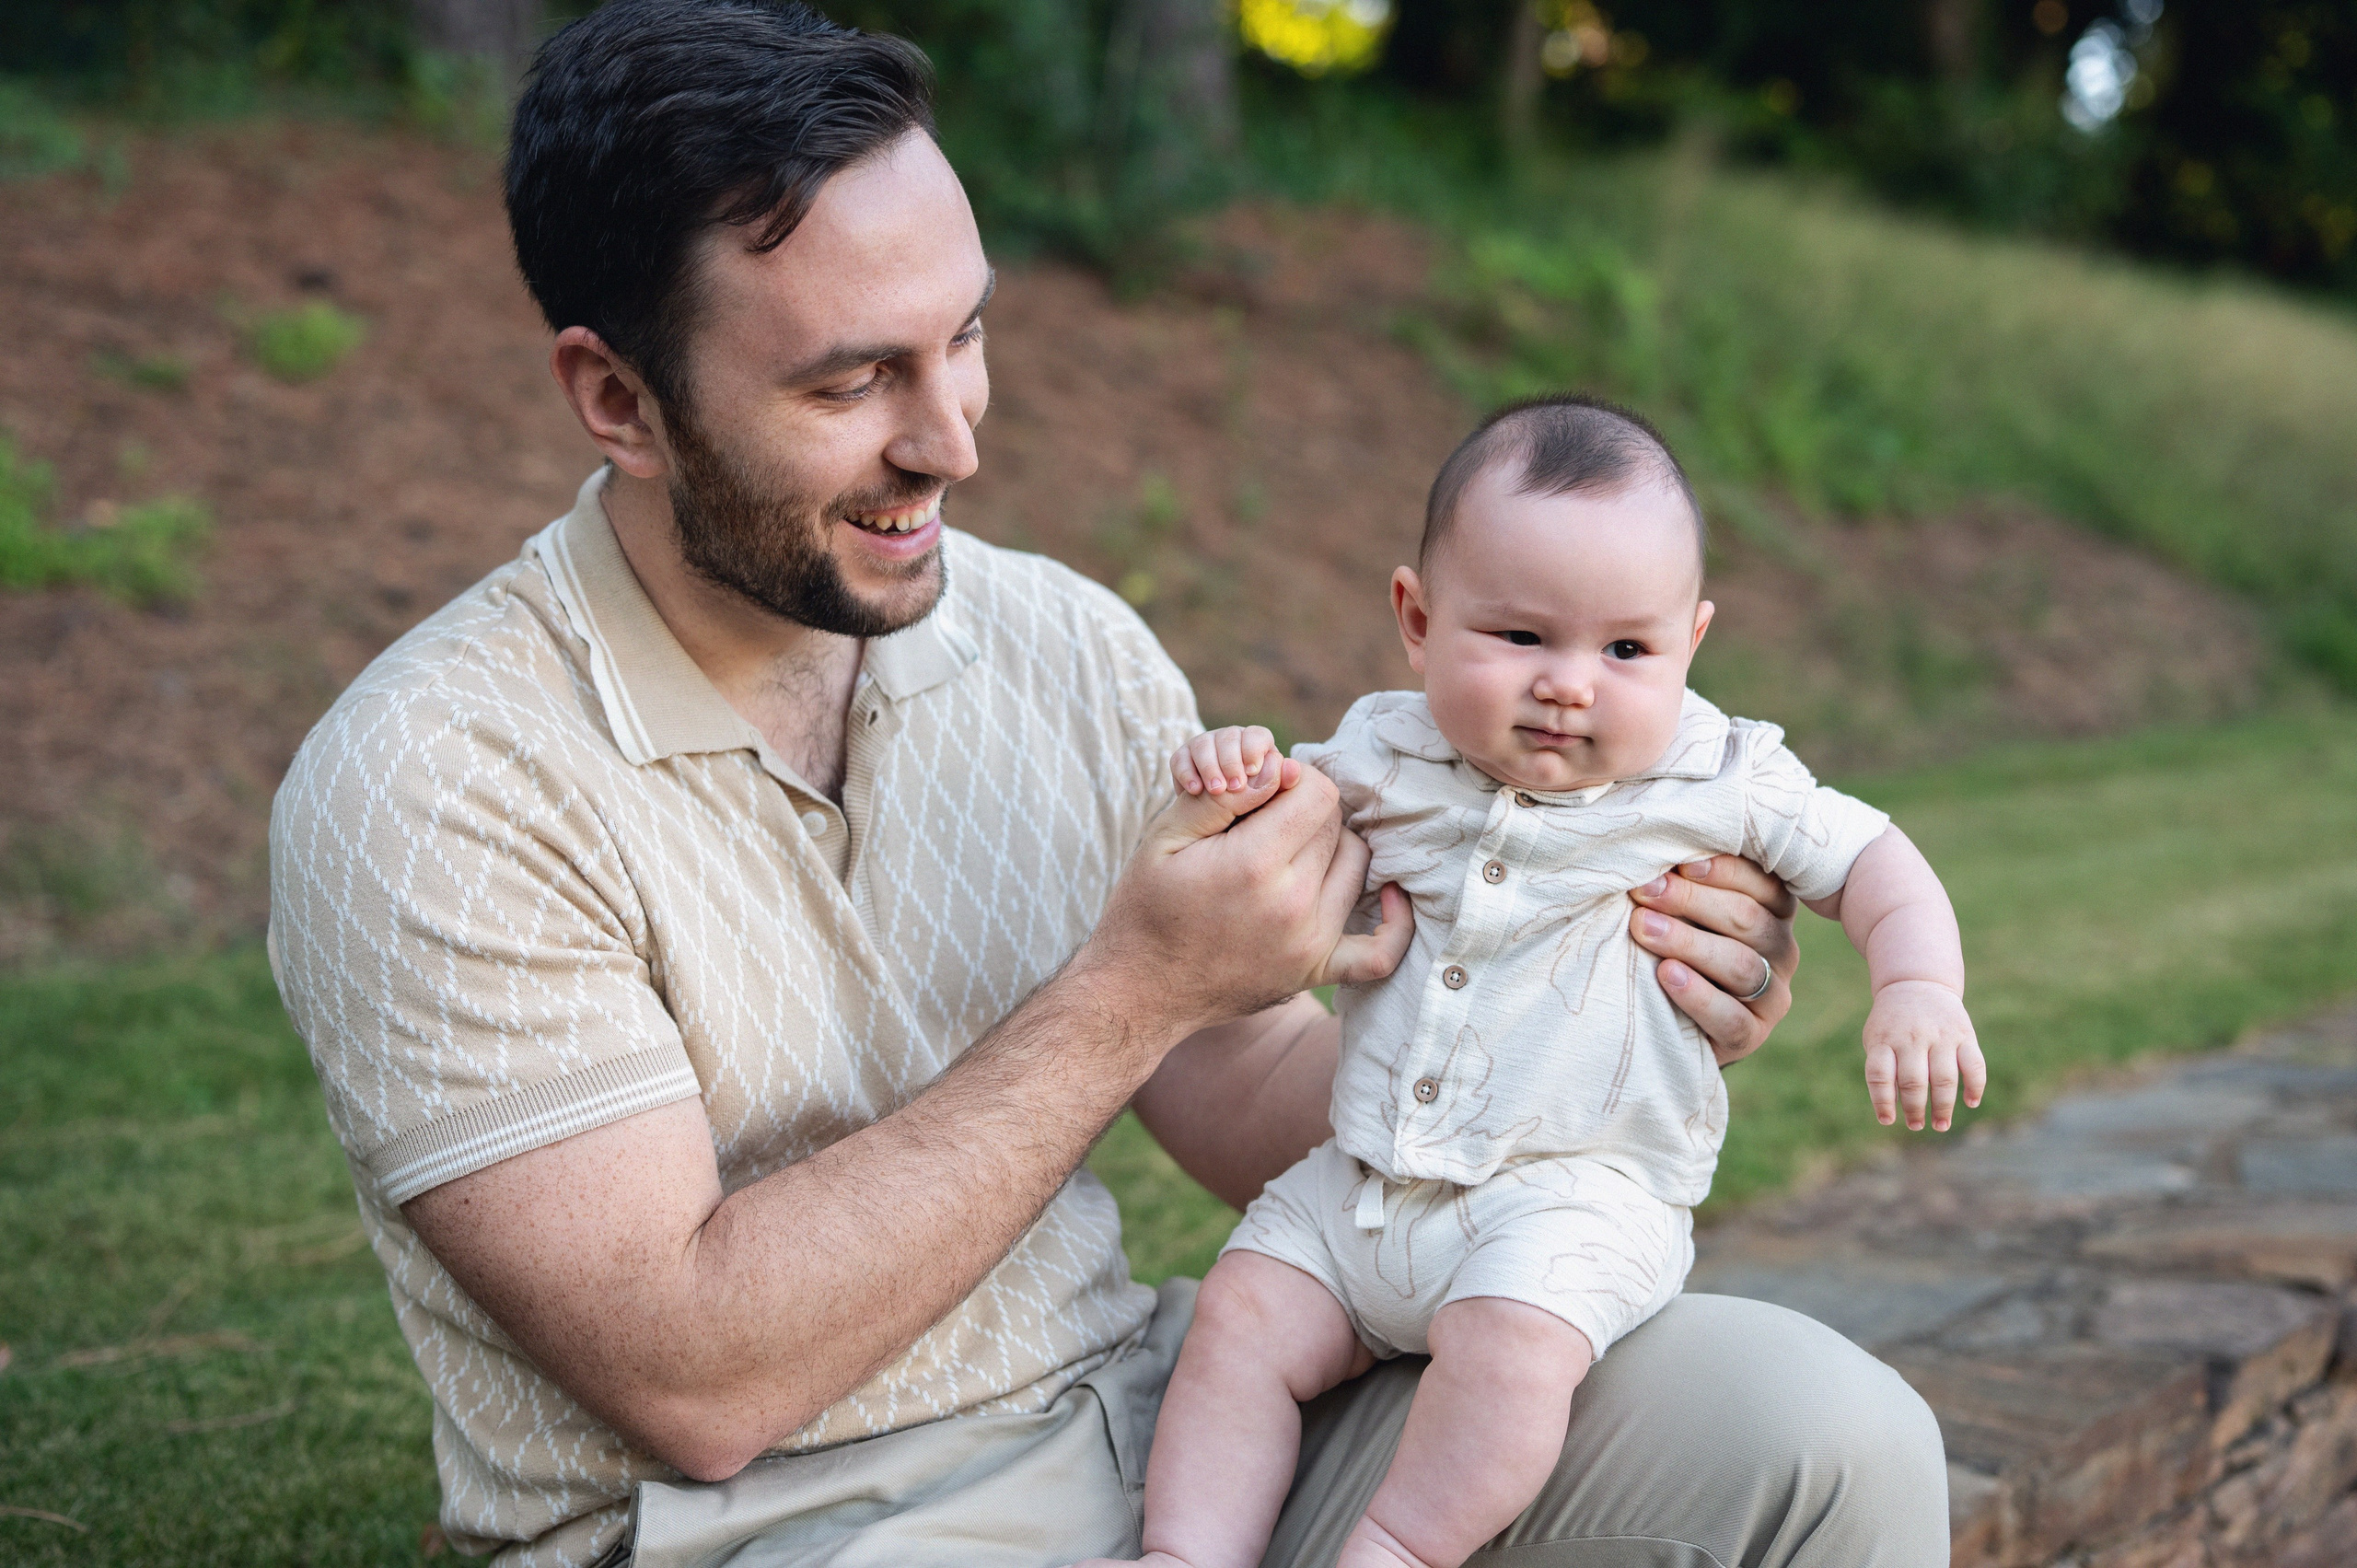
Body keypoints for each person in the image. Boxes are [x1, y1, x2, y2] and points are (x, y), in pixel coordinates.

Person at [264, 4, 1951, 1564]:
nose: (955, 441)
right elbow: (691, 1376)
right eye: (853, 381)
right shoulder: (434, 781)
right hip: (779, 1520)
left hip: (1152, 1423)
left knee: (1823, 1439)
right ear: (617, 398)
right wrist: (1126, 988)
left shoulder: (1057, 641)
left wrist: (1581, 997)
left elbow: (1239, 1094)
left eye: (966, 339)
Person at [1094, 396, 1985, 1568]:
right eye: (1520, 637)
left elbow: (1874, 857)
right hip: (1364, 1176)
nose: (1570, 683)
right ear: (1417, 618)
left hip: (1573, 1193)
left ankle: (1400, 1547)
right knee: (1242, 1314)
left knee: (1512, 1347)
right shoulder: (1385, 751)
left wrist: (1915, 981)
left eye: (1626, 649)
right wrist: (1232, 778)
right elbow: (1265, 835)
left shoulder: (1717, 776)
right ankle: (1185, 1553)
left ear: (1691, 643)